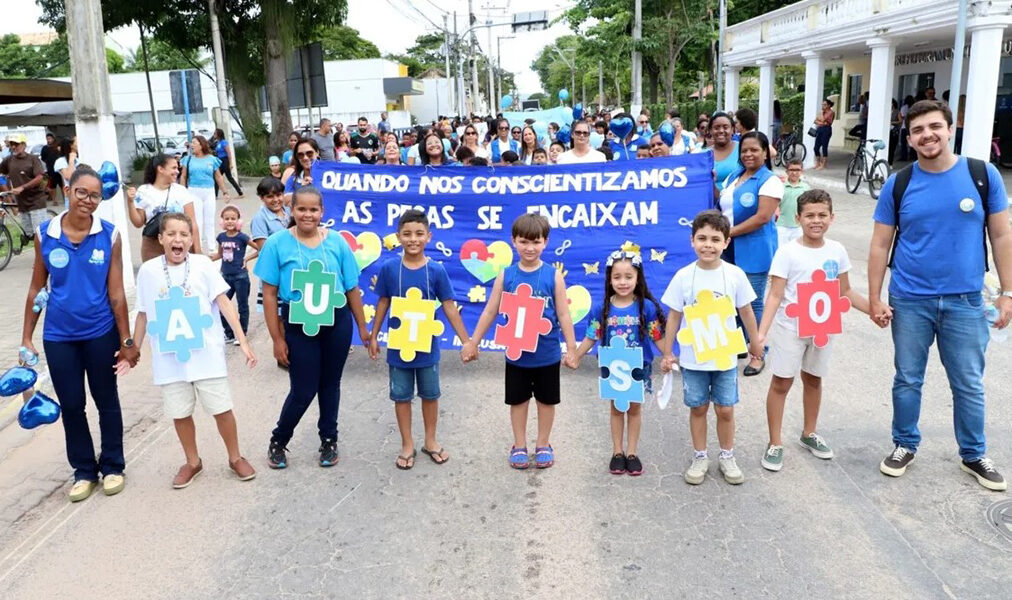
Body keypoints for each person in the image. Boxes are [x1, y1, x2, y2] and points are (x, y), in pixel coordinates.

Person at [868, 100, 1011, 491]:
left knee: (968, 381)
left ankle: (974, 453)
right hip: (910, 299)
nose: (927, 135)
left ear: (950, 129)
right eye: (917, 130)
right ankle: (904, 444)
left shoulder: (982, 175)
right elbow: (881, 244)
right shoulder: (899, 183)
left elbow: (1001, 235)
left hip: (966, 300)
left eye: (934, 127)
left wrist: (1007, 292)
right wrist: (876, 296)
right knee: (908, 378)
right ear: (909, 138)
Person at [20, 166, 139, 502]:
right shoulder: (45, 234)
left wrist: (126, 340)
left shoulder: (110, 235)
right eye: (82, 192)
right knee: (72, 405)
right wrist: (26, 337)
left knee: (106, 400)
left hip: (100, 332)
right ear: (68, 190)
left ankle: (113, 465)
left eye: (95, 195)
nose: (88, 200)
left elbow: (116, 293)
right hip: (59, 336)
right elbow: (35, 290)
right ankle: (84, 470)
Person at [125, 212, 257, 488]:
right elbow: (143, 313)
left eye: (184, 234)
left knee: (221, 408)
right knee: (180, 411)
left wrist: (243, 340)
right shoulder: (149, 271)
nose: (178, 239)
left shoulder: (202, 265)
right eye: (171, 234)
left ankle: (235, 457)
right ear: (160, 238)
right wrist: (133, 348)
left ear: (191, 239)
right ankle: (192, 461)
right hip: (169, 357)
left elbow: (223, 301)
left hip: (206, 354)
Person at [253, 185, 370, 469]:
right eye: (301, 209)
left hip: (336, 320)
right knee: (303, 389)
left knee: (331, 384)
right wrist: (276, 338)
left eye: (313, 209)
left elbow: (352, 287)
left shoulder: (337, 242)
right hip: (298, 322)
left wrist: (363, 330)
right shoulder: (277, 243)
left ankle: (329, 439)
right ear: (291, 211)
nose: (307, 214)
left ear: (322, 212)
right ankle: (279, 440)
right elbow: (269, 294)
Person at [755, 190, 870, 472]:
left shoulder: (837, 251)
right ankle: (775, 442)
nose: (815, 221)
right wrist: (760, 334)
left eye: (821, 215)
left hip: (822, 329)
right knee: (781, 383)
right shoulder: (787, 252)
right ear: (798, 218)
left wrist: (874, 310)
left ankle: (809, 433)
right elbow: (775, 295)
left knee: (814, 379)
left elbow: (845, 291)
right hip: (789, 329)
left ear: (832, 218)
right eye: (809, 215)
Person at [461, 213, 578, 470]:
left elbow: (563, 314)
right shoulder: (506, 275)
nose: (530, 248)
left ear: (545, 242)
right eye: (524, 241)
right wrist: (473, 341)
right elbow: (490, 310)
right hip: (516, 355)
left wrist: (572, 349)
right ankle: (519, 444)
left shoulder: (553, 276)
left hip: (547, 353)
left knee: (547, 401)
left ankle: (544, 443)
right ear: (514, 241)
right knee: (518, 400)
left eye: (536, 242)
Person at [660, 210, 762, 485]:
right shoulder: (683, 276)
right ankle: (700, 455)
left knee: (726, 409)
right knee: (698, 408)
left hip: (725, 358)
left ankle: (727, 455)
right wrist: (668, 353)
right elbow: (673, 315)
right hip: (693, 360)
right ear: (692, 240)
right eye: (702, 238)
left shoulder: (734, 275)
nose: (708, 244)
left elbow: (747, 311)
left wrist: (756, 341)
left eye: (715, 239)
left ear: (726, 242)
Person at [367, 210, 473, 469]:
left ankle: (431, 440)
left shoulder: (436, 270)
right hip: (399, 346)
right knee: (401, 396)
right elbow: (382, 302)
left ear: (429, 237)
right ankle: (407, 443)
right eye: (407, 234)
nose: (413, 239)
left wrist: (466, 340)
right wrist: (373, 335)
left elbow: (449, 305)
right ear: (398, 237)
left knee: (430, 394)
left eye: (419, 234)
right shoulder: (390, 268)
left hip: (427, 346)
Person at [566, 250, 664, 476]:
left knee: (635, 409)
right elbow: (592, 336)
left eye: (628, 276)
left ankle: (632, 452)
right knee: (617, 409)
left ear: (638, 278)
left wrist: (668, 355)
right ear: (609, 279)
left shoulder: (646, 307)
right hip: (612, 367)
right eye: (617, 277)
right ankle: (617, 452)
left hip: (638, 367)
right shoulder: (602, 309)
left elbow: (656, 336)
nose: (623, 282)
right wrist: (577, 356)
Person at [718, 131, 783, 376]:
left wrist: (728, 233)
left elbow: (762, 218)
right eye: (744, 150)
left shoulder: (770, 180)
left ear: (765, 152)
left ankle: (758, 354)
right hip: (729, 247)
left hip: (754, 248)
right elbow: (722, 204)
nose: (748, 154)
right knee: (731, 300)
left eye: (754, 150)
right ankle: (739, 345)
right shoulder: (736, 176)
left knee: (752, 303)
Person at [126, 154, 202, 261]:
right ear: (160, 169)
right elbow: (138, 222)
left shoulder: (181, 191)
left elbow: (192, 223)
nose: (177, 171)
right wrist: (130, 202)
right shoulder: (144, 191)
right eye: (174, 168)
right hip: (152, 245)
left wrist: (198, 252)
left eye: (178, 168)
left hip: (179, 245)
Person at [208, 204, 255, 343]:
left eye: (233, 218)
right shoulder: (221, 237)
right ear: (222, 221)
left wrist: (247, 258)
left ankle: (241, 334)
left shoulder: (243, 237)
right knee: (221, 305)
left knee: (242, 306)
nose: (230, 221)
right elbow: (219, 255)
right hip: (225, 276)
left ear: (238, 221)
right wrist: (207, 258)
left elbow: (260, 248)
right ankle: (229, 333)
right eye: (227, 218)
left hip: (241, 276)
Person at [181, 135, 230, 250]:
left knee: (209, 220)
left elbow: (218, 177)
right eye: (191, 143)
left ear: (201, 145)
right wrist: (182, 192)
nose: (192, 145)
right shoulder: (188, 159)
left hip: (209, 191)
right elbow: (183, 176)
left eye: (194, 143)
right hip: (193, 191)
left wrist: (225, 192)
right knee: (196, 220)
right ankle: (198, 247)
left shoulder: (212, 159)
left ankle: (212, 247)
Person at [0, 133, 50, 237]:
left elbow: (40, 177)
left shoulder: (33, 159)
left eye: (16, 144)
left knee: (40, 235)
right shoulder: (8, 160)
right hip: (22, 203)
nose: (14, 147)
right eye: (11, 144)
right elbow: (2, 171)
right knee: (29, 235)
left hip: (36, 201)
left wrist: (23, 187)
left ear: (23, 145)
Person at [777, 158, 809, 247]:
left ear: (801, 171)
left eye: (797, 170)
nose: (794, 173)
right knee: (781, 250)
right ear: (787, 171)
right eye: (791, 170)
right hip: (781, 225)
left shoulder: (806, 188)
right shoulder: (780, 186)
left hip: (798, 226)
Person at [283, 138, 320, 203]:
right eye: (300, 155)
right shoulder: (293, 179)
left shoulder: (329, 175)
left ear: (317, 153)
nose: (305, 158)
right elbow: (286, 201)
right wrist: (301, 190)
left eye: (309, 153)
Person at [709, 113, 740, 190]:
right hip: (710, 200)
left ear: (733, 130)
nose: (721, 131)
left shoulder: (743, 149)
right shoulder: (703, 154)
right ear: (710, 131)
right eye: (716, 128)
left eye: (725, 127)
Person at [211, 129, 244, 197]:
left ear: (219, 134)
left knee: (229, 177)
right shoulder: (217, 142)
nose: (214, 135)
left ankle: (240, 193)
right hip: (219, 161)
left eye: (215, 133)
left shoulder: (224, 142)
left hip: (225, 161)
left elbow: (228, 153)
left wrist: (230, 163)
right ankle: (215, 195)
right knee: (217, 177)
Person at [53, 136, 79, 209]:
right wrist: (71, 161)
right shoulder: (61, 161)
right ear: (71, 145)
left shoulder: (78, 159)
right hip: (71, 196)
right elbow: (68, 177)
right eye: (77, 142)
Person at [813, 99, 835, 170]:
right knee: (816, 147)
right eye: (822, 105)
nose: (823, 106)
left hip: (826, 130)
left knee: (824, 147)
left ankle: (823, 165)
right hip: (820, 129)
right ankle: (817, 163)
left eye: (825, 105)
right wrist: (821, 123)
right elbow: (815, 121)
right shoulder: (822, 112)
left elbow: (822, 119)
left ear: (829, 105)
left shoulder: (831, 112)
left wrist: (821, 115)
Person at [41, 132, 60, 206]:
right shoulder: (45, 148)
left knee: (62, 185)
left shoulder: (57, 147)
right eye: (47, 139)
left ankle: (66, 199)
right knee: (52, 186)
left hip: (59, 169)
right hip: (50, 169)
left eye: (49, 138)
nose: (48, 140)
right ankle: (54, 200)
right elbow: (43, 158)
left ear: (53, 139)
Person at [898, 95, 914, 161]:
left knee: (903, 143)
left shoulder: (904, 107)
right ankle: (912, 156)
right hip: (912, 127)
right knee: (912, 142)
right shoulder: (913, 107)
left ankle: (904, 157)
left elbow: (902, 116)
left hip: (904, 126)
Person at [888, 98, 902, 165]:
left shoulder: (897, 111)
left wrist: (892, 122)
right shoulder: (886, 111)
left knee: (892, 148)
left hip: (893, 131)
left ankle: (890, 163)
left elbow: (900, 121)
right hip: (887, 131)